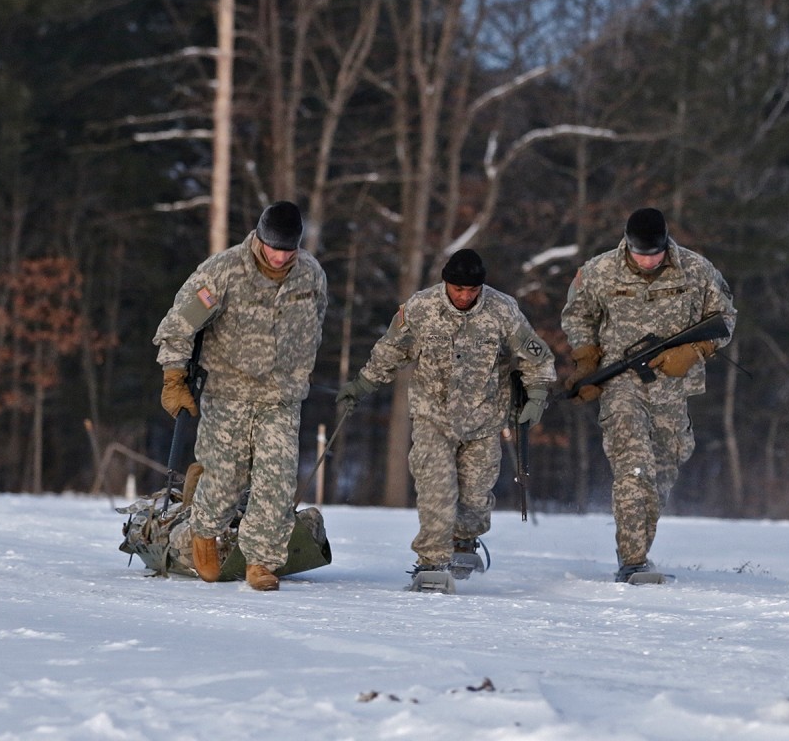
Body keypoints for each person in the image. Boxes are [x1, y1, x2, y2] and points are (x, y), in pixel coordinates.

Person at [337, 249, 556, 582]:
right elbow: (390, 351)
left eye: (472, 290)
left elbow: (536, 357)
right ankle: (432, 563)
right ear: (445, 283)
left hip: (484, 419)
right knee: (437, 491)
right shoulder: (421, 308)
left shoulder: (503, 309)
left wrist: (537, 396)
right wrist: (362, 385)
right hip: (433, 417)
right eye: (458, 289)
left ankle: (463, 541)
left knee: (475, 498)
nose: (465, 296)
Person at [153, 201, 327, 591]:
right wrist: (173, 377)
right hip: (228, 392)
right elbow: (180, 323)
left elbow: (316, 322)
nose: (281, 257)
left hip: (281, 394)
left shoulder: (311, 275)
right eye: (273, 248)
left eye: (289, 250)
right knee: (226, 473)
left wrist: (301, 370)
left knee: (277, 478)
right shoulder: (224, 271)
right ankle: (204, 530)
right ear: (259, 239)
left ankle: (261, 561)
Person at [560, 208, 736, 582]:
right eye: (640, 254)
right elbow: (577, 315)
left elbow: (725, 317)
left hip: (674, 389)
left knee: (661, 475)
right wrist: (586, 362)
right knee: (634, 466)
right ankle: (633, 559)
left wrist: (694, 351)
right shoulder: (599, 270)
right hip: (622, 384)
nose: (647, 261)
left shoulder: (696, 269)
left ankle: (640, 552)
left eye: (654, 254)